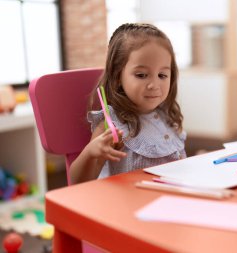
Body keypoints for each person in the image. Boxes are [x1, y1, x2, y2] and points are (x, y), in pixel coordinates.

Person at [70, 23, 187, 184]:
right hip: (127, 206)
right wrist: (91, 153)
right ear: (118, 76)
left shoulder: (166, 115)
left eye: (162, 75)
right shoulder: (112, 124)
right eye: (141, 75)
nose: (154, 84)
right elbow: (76, 182)